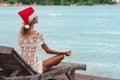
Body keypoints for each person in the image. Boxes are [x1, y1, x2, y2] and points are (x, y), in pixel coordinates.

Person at [17, 7, 71, 74]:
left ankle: (47, 67)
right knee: (61, 56)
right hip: (34, 68)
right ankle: (47, 69)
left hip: (23, 66)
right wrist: (64, 52)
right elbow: (48, 51)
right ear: (32, 19)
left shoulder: (21, 34)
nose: (38, 17)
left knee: (44, 62)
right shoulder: (37, 34)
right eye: (36, 16)